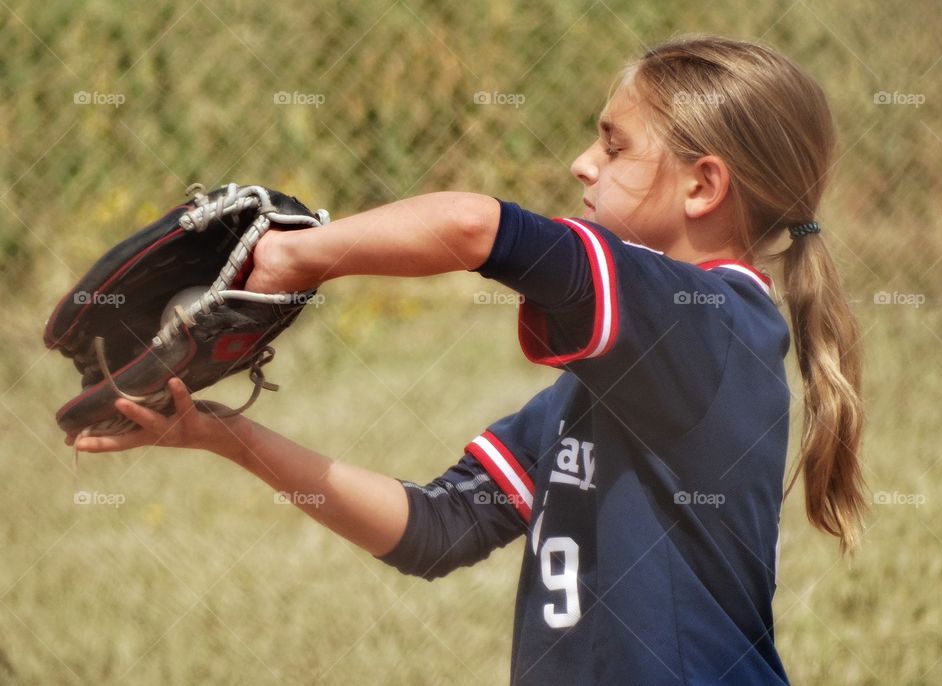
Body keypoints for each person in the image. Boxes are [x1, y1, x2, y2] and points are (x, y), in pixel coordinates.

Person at [70, 34, 866, 685]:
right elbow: (437, 529)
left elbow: (474, 229)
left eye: (613, 144)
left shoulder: (714, 325)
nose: (582, 164)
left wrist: (297, 257)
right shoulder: (605, 382)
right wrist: (222, 435)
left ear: (704, 187)